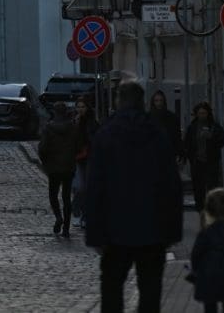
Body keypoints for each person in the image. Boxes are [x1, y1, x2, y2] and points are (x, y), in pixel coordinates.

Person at [86, 78, 184, 313]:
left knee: (111, 291)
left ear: (119, 101)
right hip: (153, 228)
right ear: (142, 102)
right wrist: (172, 231)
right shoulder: (157, 134)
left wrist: (95, 234)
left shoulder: (106, 134)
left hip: (115, 229)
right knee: (150, 291)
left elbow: (95, 186)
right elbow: (172, 185)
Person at [38, 99, 77, 238]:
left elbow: (43, 148)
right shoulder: (73, 127)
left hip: (53, 167)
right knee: (66, 197)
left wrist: (45, 161)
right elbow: (77, 145)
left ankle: (58, 217)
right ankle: (66, 228)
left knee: (53, 195)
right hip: (68, 166)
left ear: (54, 112)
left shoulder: (49, 128)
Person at [184, 102, 224, 213]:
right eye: (200, 113)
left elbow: (222, 140)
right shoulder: (192, 128)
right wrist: (190, 157)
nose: (202, 115)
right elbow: (187, 143)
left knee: (212, 186)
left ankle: (212, 208)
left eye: (204, 113)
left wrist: (211, 138)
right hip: (197, 162)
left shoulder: (214, 127)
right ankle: (200, 208)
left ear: (208, 114)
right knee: (198, 187)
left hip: (211, 162)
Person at [72, 96, 99, 226]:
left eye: (83, 107)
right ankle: (77, 212)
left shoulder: (93, 122)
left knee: (88, 188)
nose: (80, 109)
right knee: (79, 187)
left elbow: (96, 139)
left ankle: (85, 215)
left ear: (87, 108)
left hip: (90, 158)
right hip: (77, 158)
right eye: (78, 107)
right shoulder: (74, 121)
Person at [149, 90, 182, 160]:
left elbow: (177, 137)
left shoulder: (172, 118)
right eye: (156, 101)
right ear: (153, 102)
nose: (159, 103)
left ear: (164, 102)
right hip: (153, 154)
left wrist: (179, 153)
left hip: (168, 153)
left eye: (161, 100)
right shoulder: (147, 118)